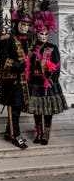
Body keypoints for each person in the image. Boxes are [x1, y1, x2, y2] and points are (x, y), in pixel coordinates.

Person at [25, 10, 68, 145]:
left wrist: (51, 79)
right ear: (37, 34)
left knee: (48, 109)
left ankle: (46, 133)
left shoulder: (53, 48)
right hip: (35, 83)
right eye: (41, 34)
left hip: (48, 83)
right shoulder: (32, 48)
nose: (43, 36)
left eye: (45, 34)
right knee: (37, 109)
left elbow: (57, 66)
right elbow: (29, 66)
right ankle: (38, 131)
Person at [0, 8, 31, 149]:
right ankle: (15, 136)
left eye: (27, 25)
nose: (25, 27)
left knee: (18, 108)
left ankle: (8, 132)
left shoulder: (26, 40)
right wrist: (17, 65)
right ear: (16, 24)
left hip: (23, 80)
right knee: (14, 108)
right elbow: (1, 58)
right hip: (11, 80)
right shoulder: (7, 38)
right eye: (23, 24)